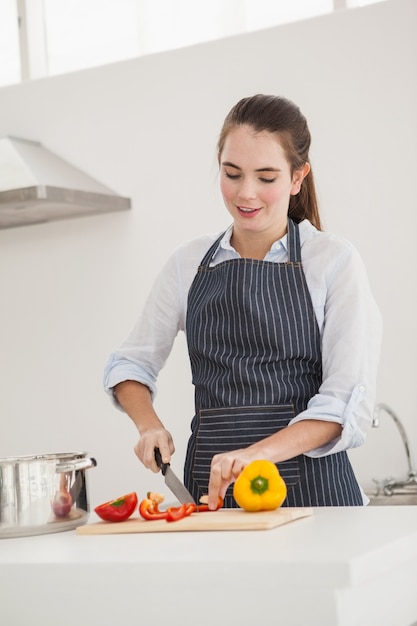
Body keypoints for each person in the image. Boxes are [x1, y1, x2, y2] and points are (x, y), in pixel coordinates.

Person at [104, 94, 382, 509]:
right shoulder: (189, 263)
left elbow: (342, 405)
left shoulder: (333, 261)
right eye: (232, 174)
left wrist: (255, 455)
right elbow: (130, 365)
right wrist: (149, 427)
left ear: (297, 177)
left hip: (316, 501)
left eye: (266, 177)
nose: (246, 193)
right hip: (212, 500)